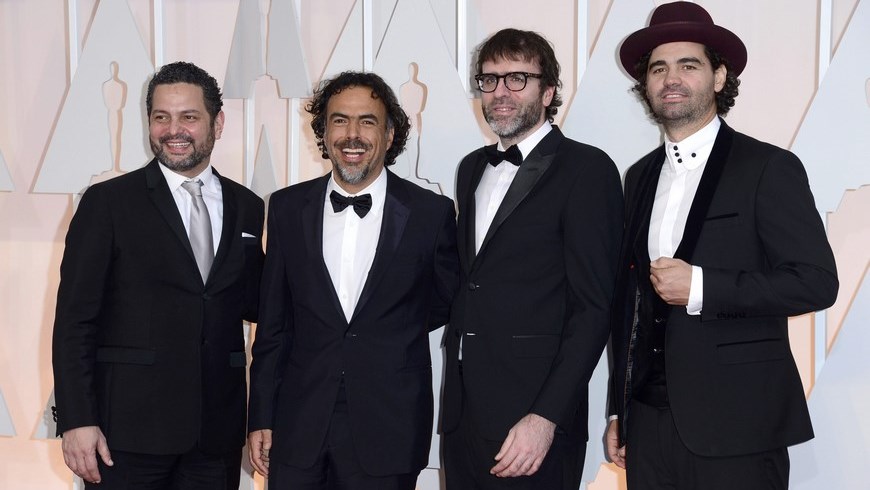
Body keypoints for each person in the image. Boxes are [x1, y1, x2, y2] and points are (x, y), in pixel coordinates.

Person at [607, 3, 839, 489]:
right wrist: (619, 411)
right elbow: (628, 306)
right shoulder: (639, 177)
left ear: (718, 77)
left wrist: (702, 287)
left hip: (740, 425)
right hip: (649, 427)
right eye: (658, 68)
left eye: (688, 65)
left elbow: (815, 283)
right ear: (645, 85)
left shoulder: (768, 168)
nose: (672, 78)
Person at [52, 61, 265, 489]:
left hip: (215, 436)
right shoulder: (107, 203)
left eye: (189, 116)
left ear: (217, 123)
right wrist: (77, 420)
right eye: (161, 117)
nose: (174, 130)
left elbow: (253, 302)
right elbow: (75, 321)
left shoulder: (248, 205)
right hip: (125, 435)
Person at [246, 71, 459, 490]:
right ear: (323, 131)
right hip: (296, 425)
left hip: (389, 425)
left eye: (367, 121)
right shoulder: (288, 207)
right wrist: (261, 416)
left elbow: (443, 301)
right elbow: (273, 324)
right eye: (339, 120)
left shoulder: (431, 213)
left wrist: (387, 333)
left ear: (390, 132)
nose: (352, 134)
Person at [441, 28, 624, 489]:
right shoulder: (471, 169)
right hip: (463, 417)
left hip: (536, 420)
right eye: (489, 79)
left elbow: (594, 307)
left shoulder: (587, 169)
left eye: (517, 78)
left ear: (549, 91)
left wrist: (545, 418)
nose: (500, 91)